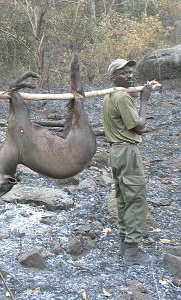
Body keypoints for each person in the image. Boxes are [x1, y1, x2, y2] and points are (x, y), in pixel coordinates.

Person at [102, 58, 153, 265]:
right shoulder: (122, 97)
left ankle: (125, 242)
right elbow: (139, 127)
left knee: (123, 196)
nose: (129, 76)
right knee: (135, 198)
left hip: (116, 152)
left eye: (130, 72)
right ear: (113, 77)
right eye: (123, 73)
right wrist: (144, 100)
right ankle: (132, 251)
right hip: (126, 151)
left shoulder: (109, 96)